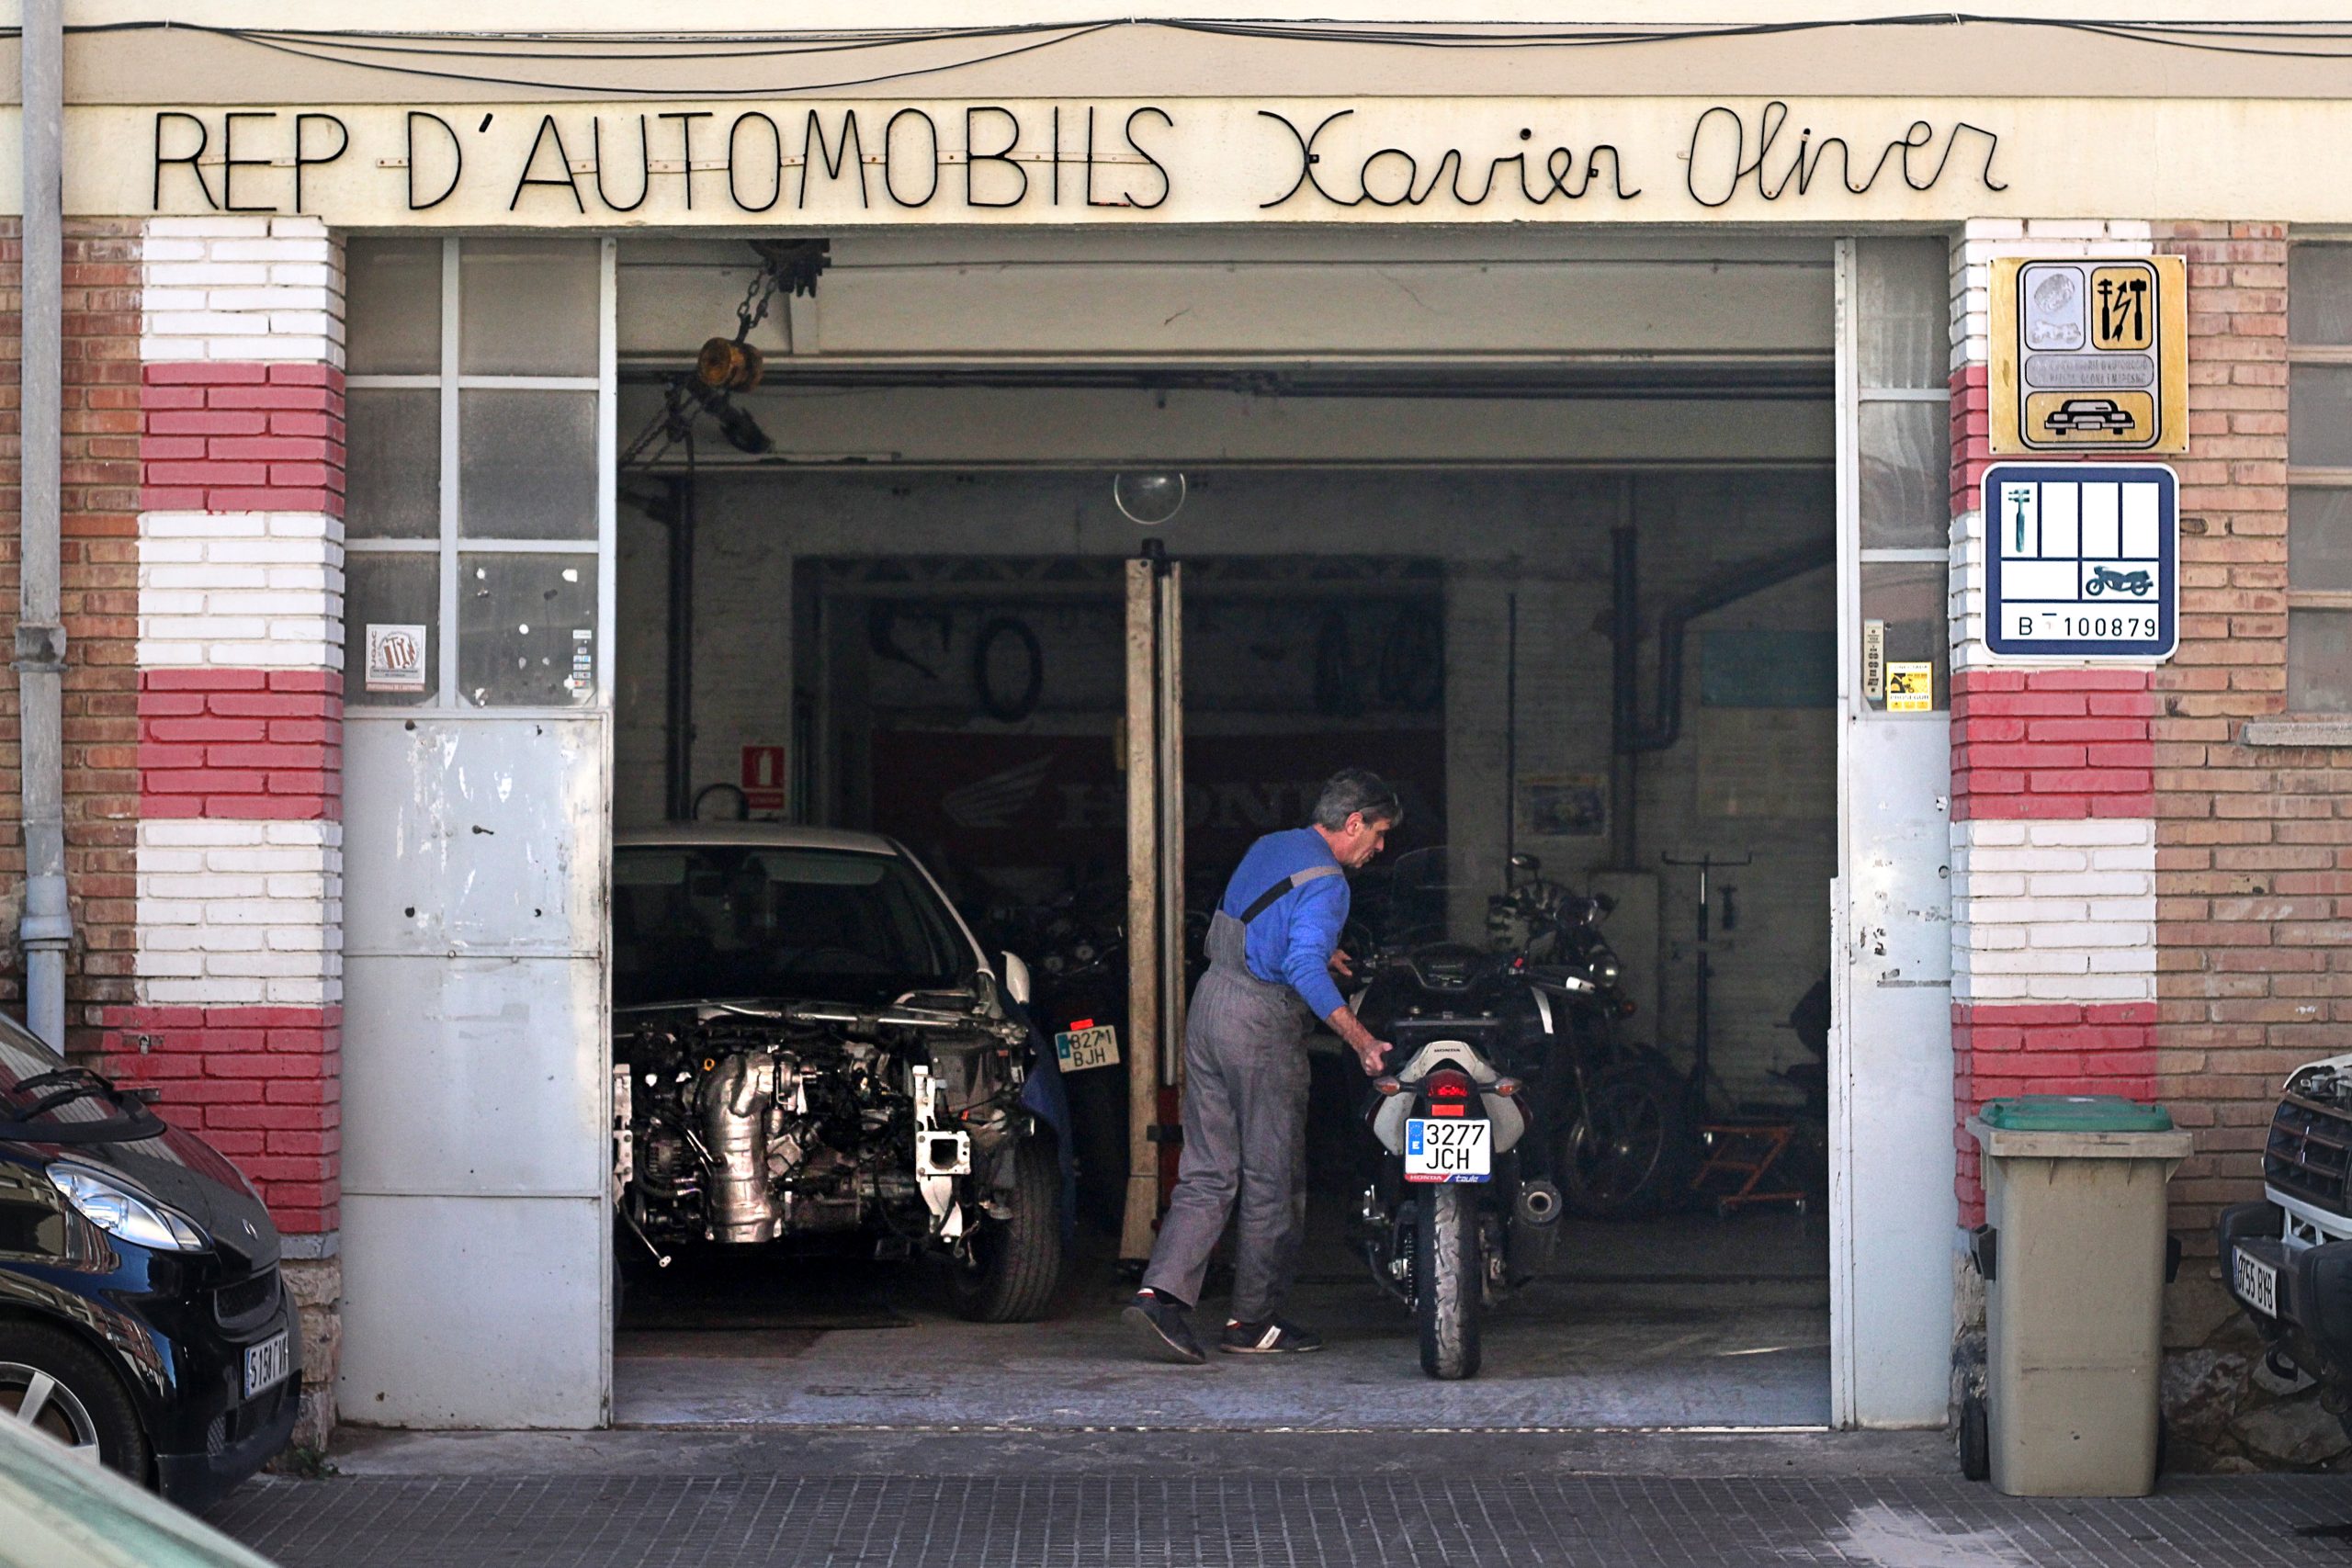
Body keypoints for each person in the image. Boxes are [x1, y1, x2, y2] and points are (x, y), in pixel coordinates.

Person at [1124, 768, 1399, 1362]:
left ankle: (1160, 1293)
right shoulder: (1332, 884)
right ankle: (1251, 1320)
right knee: (1272, 1177)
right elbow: (1300, 967)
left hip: (1210, 1006)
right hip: (1259, 1026)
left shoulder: (1270, 846)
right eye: (1377, 834)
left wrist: (1320, 948)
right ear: (1352, 823)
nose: (1379, 848)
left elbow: (1263, 925)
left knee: (1206, 1171)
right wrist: (1359, 1037)